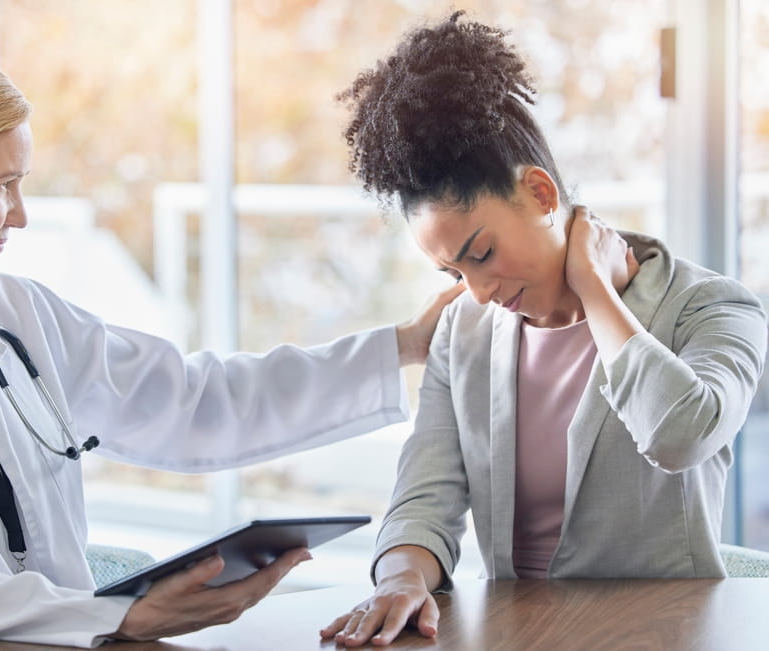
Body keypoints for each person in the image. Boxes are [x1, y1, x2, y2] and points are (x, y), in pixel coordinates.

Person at [0, 46, 463, 648]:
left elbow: (194, 401)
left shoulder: (13, 313)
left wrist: (402, 345)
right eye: (2, 185)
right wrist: (118, 616)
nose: (21, 214)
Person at [320, 12, 768, 648]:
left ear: (539, 192)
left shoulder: (713, 308)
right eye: (451, 269)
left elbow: (680, 434)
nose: (476, 292)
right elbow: (427, 493)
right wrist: (400, 576)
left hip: (661, 637)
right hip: (511, 636)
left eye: (480, 253)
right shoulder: (464, 331)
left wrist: (593, 288)